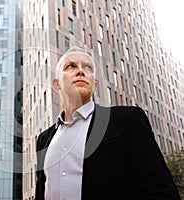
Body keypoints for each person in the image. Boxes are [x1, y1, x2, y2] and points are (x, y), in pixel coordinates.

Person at [35, 46, 180, 200]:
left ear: (95, 85)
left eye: (88, 68)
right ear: (56, 83)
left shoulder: (127, 120)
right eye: (71, 66)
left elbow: (160, 190)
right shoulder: (43, 139)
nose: (81, 71)